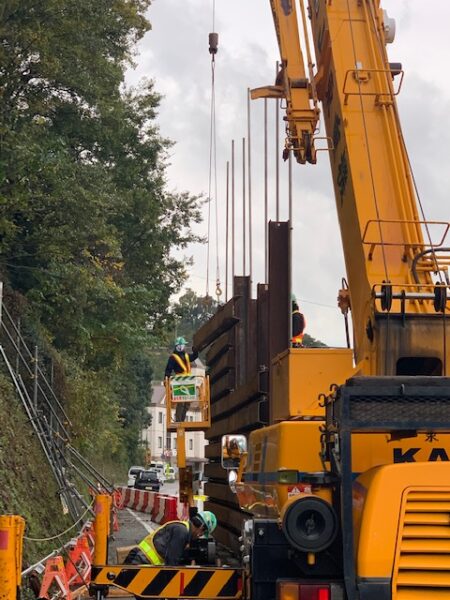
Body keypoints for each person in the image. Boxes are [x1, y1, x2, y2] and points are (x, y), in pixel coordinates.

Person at [123, 511, 217, 566]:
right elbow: (172, 563)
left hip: (143, 563)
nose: (200, 536)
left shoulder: (183, 530)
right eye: (203, 533)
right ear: (201, 527)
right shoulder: (181, 532)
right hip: (139, 562)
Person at [165, 336, 199, 421]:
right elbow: (168, 370)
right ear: (178, 346)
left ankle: (182, 419)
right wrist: (166, 379)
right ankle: (179, 420)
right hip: (179, 382)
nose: (183, 346)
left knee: (187, 402)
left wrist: (195, 352)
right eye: (182, 345)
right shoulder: (173, 358)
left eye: (184, 345)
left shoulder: (186, 356)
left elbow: (193, 357)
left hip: (189, 381)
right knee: (181, 401)